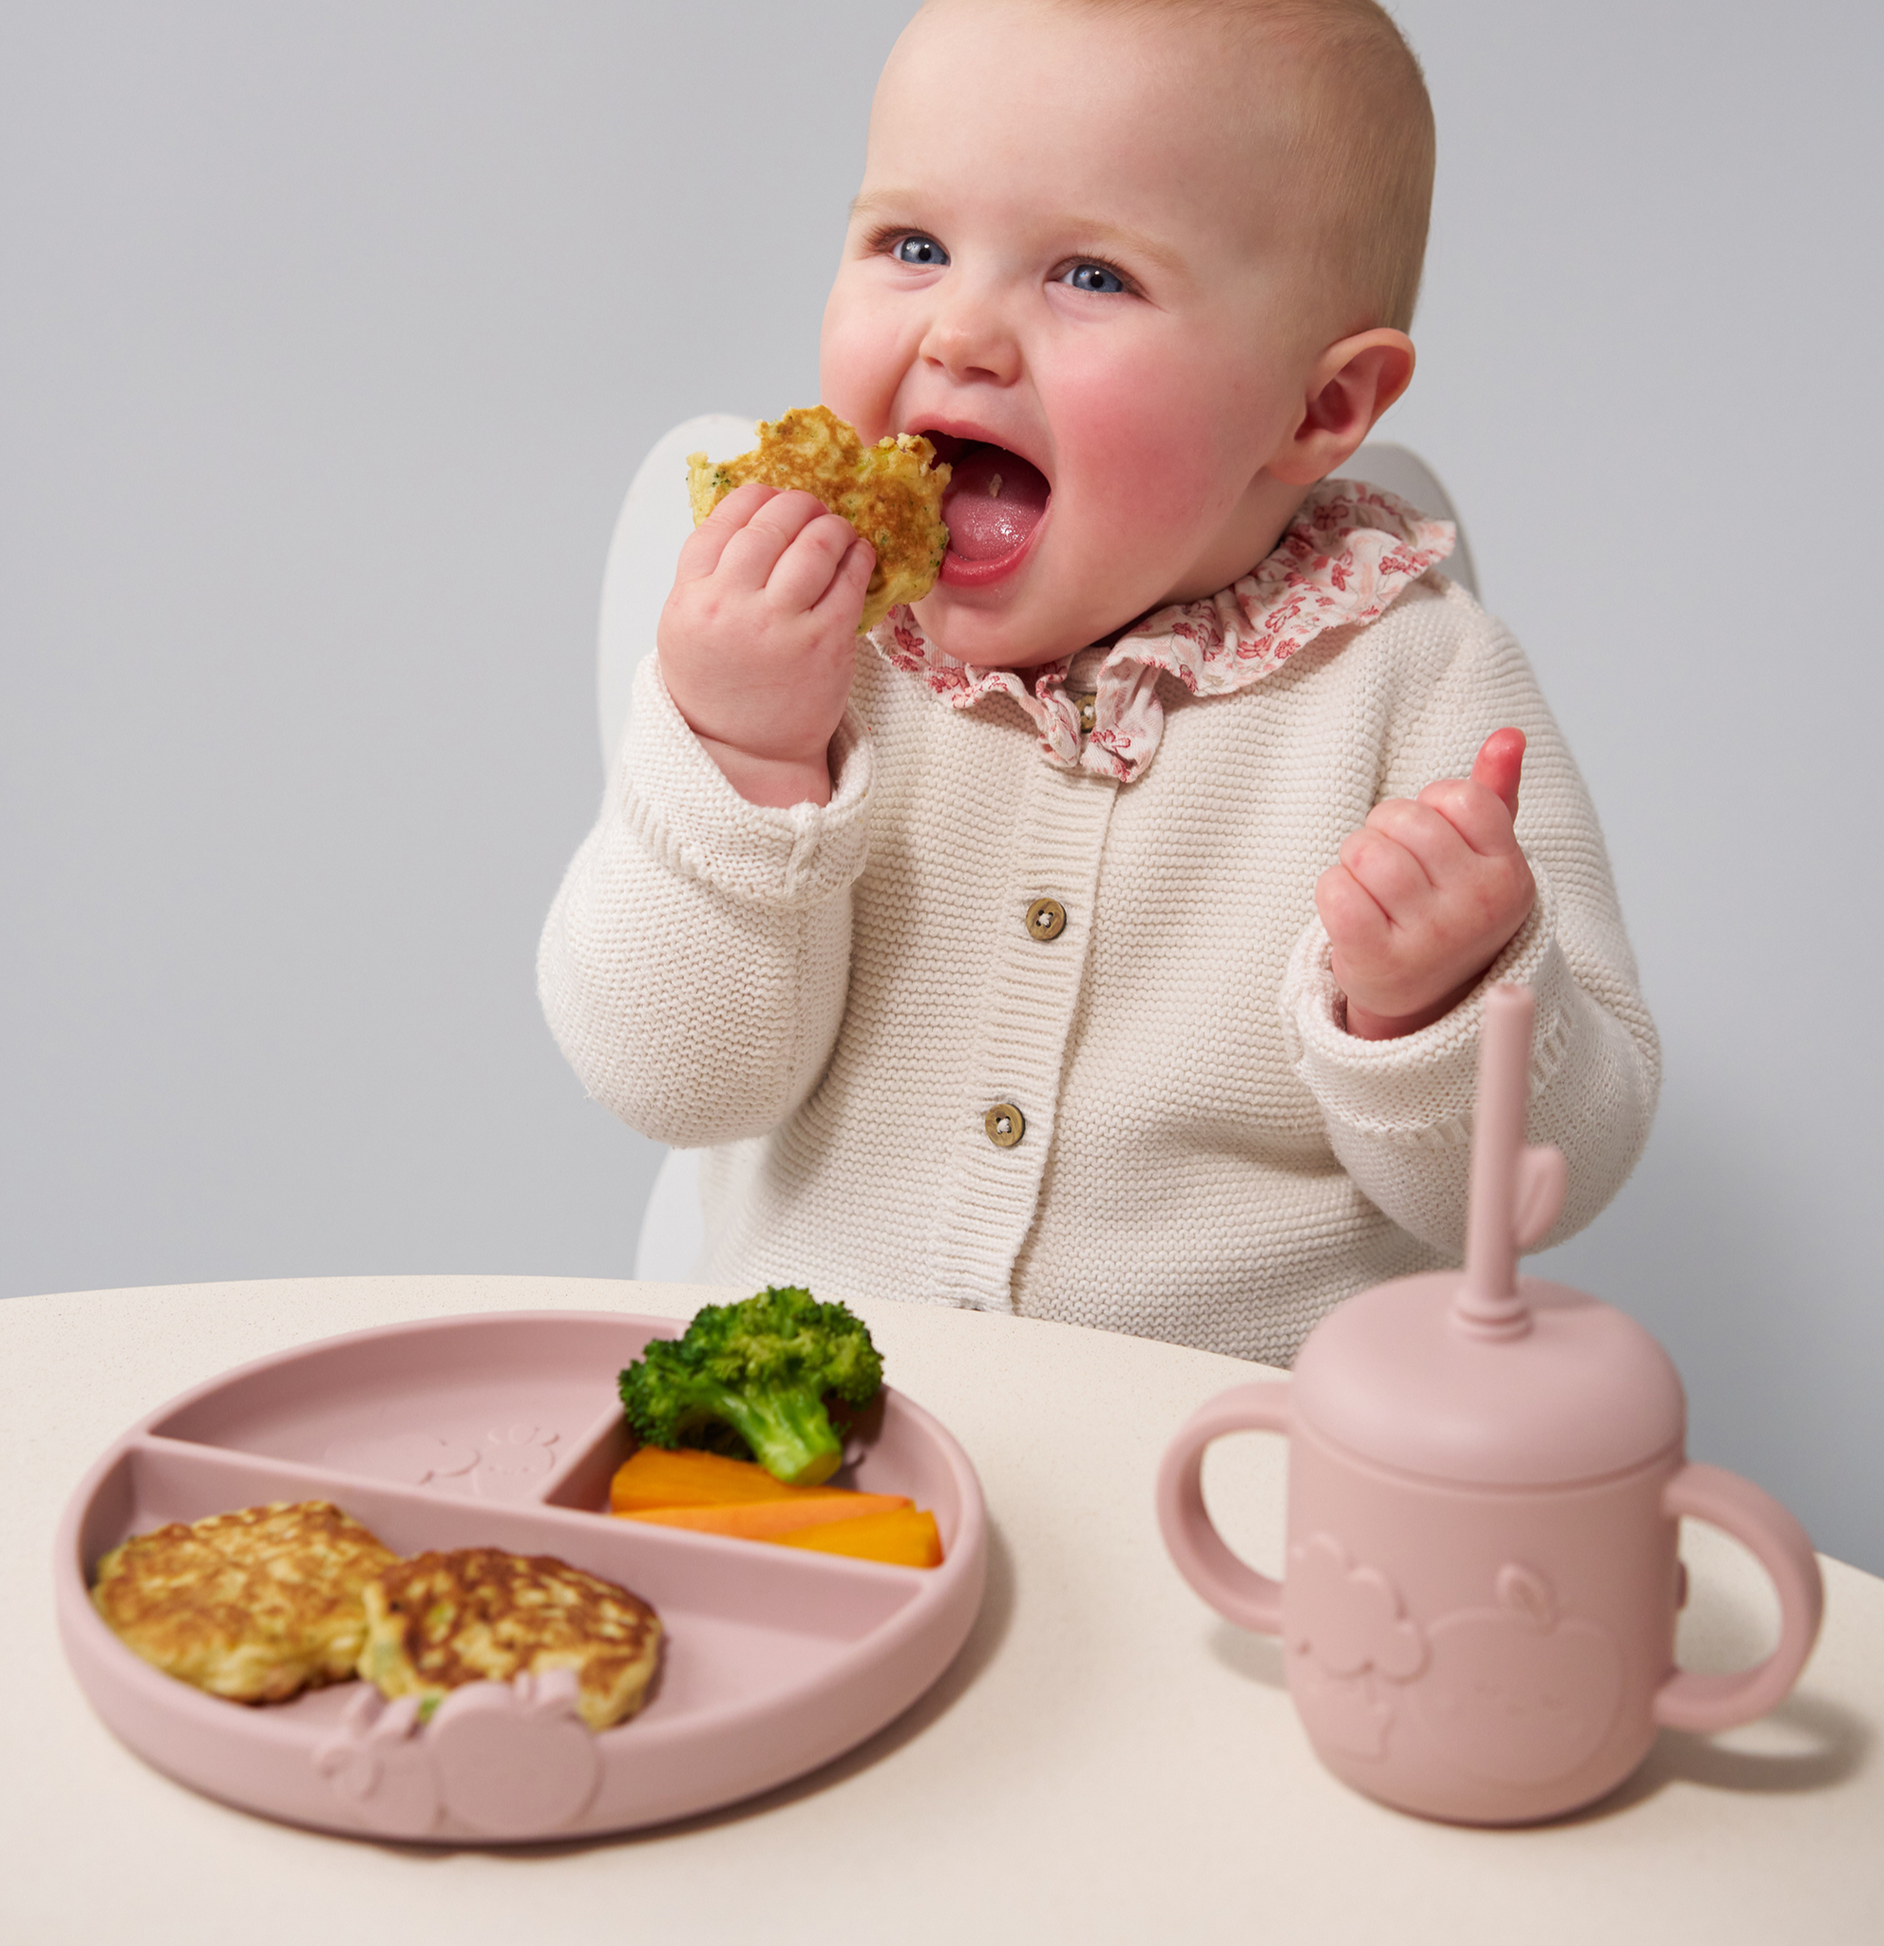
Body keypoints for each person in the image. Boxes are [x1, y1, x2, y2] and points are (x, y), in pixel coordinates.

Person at [539, 0, 1658, 1364]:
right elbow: (671, 1079)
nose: (960, 332)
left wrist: (1437, 1003)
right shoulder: (808, 657)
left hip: (1229, 1457)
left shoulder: (1414, 674)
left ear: (1321, 408)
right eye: (913, 246)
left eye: (1089, 276)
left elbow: (1556, 1180)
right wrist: (744, 755)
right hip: (831, 1441)